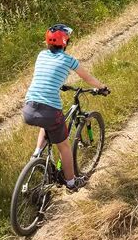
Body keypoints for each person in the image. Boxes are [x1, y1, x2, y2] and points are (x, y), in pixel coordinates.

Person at [22, 24, 109, 191]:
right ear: (65, 42)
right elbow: (87, 78)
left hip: (28, 108)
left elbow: (47, 75)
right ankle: (71, 182)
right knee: (64, 146)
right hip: (49, 111)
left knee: (45, 123)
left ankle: (36, 154)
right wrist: (102, 87)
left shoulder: (41, 55)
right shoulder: (69, 60)